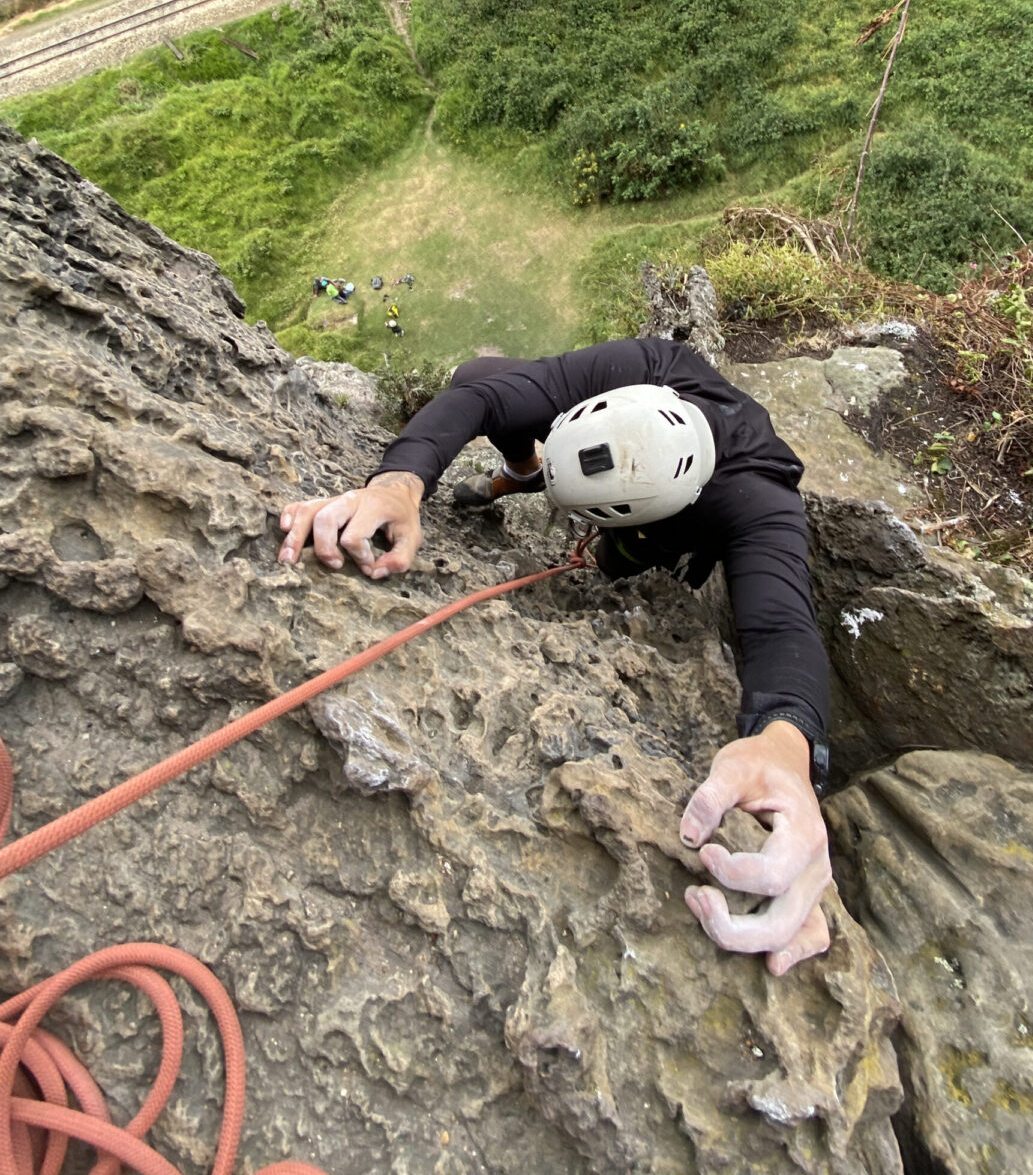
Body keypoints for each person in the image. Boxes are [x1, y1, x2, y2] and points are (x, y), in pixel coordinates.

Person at [278, 340, 832, 974]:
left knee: (614, 563)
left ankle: (616, 546)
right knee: (480, 370)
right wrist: (400, 483)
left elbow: (783, 632)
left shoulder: (762, 504)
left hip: (665, 529)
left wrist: (787, 752)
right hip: (623, 467)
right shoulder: (651, 367)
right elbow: (484, 397)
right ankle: (524, 470)